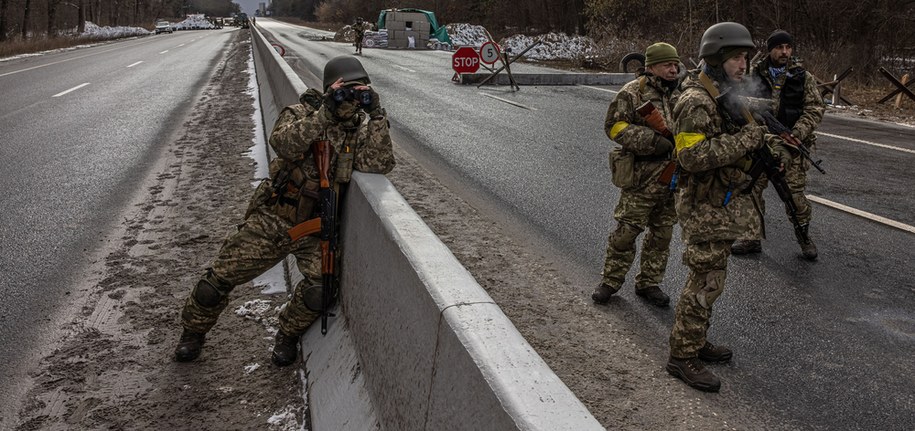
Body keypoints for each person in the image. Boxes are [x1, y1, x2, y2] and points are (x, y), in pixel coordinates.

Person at [173, 56, 395, 367]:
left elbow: (379, 164)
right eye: (345, 89)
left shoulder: (358, 130)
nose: (352, 96)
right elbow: (284, 144)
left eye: (360, 89)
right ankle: (192, 333)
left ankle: (287, 334)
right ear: (329, 88)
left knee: (320, 291)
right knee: (217, 280)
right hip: (275, 218)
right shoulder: (302, 113)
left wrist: (377, 116)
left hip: (316, 227)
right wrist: (325, 113)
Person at [665, 22, 791, 392]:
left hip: (718, 203)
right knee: (706, 279)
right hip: (702, 205)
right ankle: (681, 356)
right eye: (737, 57)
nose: (743, 64)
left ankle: (695, 340)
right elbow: (690, 156)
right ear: (717, 58)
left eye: (745, 57)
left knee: (711, 278)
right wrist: (748, 139)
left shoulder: (721, 92)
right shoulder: (695, 100)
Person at [592, 42, 683, 308]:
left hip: (671, 176)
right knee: (626, 232)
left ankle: (649, 283)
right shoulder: (632, 94)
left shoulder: (681, 94)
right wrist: (652, 140)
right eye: (667, 64)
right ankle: (610, 281)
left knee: (662, 234)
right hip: (641, 177)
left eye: (675, 64)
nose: (673, 69)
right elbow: (614, 126)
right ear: (651, 67)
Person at [731, 29, 825, 260]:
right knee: (749, 189)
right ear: (770, 49)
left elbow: (814, 109)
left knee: (793, 196)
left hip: (791, 145)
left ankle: (804, 239)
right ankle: (750, 237)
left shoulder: (803, 77)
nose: (784, 52)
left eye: (788, 47)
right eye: (779, 48)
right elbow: (735, 104)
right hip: (759, 144)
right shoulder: (752, 75)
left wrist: (796, 134)